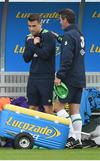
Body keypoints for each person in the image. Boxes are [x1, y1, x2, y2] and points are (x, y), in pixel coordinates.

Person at [54, 9, 86, 148]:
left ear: (65, 19)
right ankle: (78, 140)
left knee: (58, 107)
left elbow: (67, 58)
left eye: (60, 19)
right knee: (75, 110)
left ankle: (72, 137)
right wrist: (59, 38)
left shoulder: (69, 35)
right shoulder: (79, 34)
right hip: (80, 78)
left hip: (70, 78)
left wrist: (59, 75)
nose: (60, 22)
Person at [23, 14, 56, 114]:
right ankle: (32, 129)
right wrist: (32, 44)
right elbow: (26, 58)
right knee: (32, 107)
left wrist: (32, 44)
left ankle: (51, 129)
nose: (31, 29)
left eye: (34, 26)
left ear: (40, 24)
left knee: (47, 107)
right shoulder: (29, 38)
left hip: (46, 77)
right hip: (33, 76)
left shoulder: (48, 35)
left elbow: (44, 55)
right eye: (29, 26)